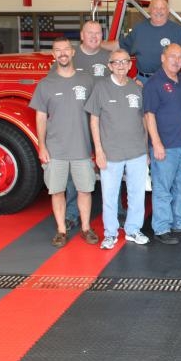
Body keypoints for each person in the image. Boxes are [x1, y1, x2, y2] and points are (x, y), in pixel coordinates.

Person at [29, 37, 98, 248]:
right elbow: (40, 117)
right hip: (55, 150)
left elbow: (96, 114)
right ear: (53, 55)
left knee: (85, 190)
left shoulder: (87, 81)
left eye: (66, 49)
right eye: (58, 50)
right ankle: (61, 230)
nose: (62, 53)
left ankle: (86, 228)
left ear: (73, 52)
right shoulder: (45, 84)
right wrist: (42, 146)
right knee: (57, 191)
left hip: (82, 149)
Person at [85, 49, 150, 249]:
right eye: (117, 62)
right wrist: (99, 151)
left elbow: (144, 119)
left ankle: (133, 230)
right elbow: (94, 119)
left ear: (131, 65)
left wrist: (146, 149)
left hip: (137, 151)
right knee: (110, 195)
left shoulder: (136, 88)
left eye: (125, 62)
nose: (121, 65)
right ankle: (110, 233)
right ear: (110, 66)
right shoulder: (101, 88)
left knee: (137, 194)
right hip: (110, 153)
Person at [143, 43, 181, 245]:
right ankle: (162, 227)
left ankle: (179, 222)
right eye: (172, 56)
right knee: (163, 189)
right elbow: (149, 115)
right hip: (164, 146)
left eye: (180, 57)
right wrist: (156, 143)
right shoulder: (154, 83)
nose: (176, 60)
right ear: (162, 58)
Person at [64, 20, 112, 233]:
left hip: (103, 121)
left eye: (98, 33)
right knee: (75, 169)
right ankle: (72, 214)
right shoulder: (70, 56)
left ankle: (116, 209)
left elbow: (116, 85)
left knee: (110, 166)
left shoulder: (107, 57)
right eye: (90, 33)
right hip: (77, 122)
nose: (94, 36)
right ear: (81, 35)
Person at [105, 0, 181, 85]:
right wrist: (99, 44)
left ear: (167, 11)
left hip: (168, 81)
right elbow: (120, 45)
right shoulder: (139, 29)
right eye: (155, 8)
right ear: (150, 9)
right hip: (143, 82)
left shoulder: (177, 31)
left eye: (162, 8)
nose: (159, 11)